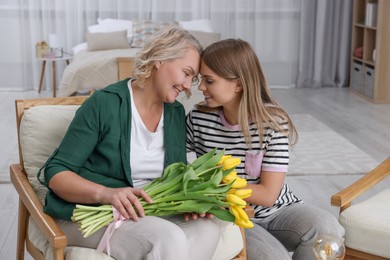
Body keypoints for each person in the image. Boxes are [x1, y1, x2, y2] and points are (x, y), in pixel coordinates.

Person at [38, 26, 222, 260]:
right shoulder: (105, 103)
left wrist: (191, 201)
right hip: (96, 213)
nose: (188, 86)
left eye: (193, 78)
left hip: (150, 211)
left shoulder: (175, 112)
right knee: (168, 238)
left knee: (209, 229)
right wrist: (107, 194)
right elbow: (56, 172)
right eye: (186, 73)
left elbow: (175, 174)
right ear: (160, 59)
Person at [186, 39, 345, 260]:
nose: (201, 87)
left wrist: (215, 187)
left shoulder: (272, 123)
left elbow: (269, 195)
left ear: (238, 84)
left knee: (327, 229)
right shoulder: (198, 119)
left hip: (278, 211)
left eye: (209, 81)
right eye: (201, 79)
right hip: (230, 217)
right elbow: (175, 164)